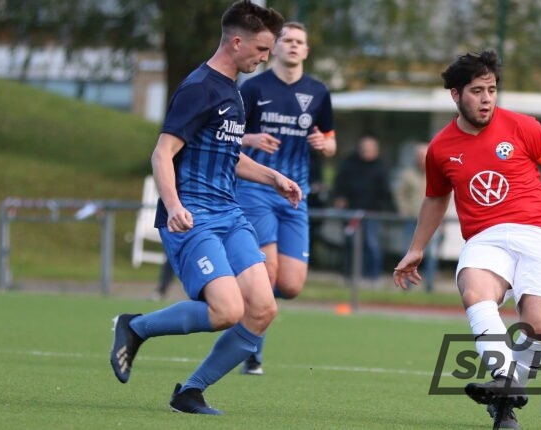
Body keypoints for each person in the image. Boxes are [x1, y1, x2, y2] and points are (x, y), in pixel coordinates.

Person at [392, 50, 541, 429]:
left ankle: (504, 401)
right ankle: (503, 380)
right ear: (455, 95)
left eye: (492, 90)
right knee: (475, 290)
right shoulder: (441, 148)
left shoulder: (522, 127)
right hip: (485, 237)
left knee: (540, 326)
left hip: (540, 233)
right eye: (477, 91)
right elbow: (435, 198)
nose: (486, 99)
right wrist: (416, 248)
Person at [109, 1, 296, 415]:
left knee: (263, 309)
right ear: (237, 42)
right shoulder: (199, 88)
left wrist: (274, 178)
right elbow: (162, 153)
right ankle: (135, 327)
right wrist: (174, 205)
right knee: (227, 310)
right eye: (262, 49)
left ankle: (190, 392)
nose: (265, 58)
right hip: (194, 216)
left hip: (229, 214)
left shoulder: (233, 90)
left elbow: (227, 155)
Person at [235, 21, 336, 375]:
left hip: (296, 194)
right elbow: (226, 135)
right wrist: (250, 139)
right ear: (275, 47)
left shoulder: (318, 92)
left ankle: (247, 302)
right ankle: (251, 350)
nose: (293, 45)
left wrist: (325, 145)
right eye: (287, 40)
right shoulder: (253, 87)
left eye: (299, 41)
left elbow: (331, 141)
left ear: (306, 50)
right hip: (256, 189)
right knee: (268, 270)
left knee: (290, 285)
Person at [333, 134, 395, 285]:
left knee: (372, 245)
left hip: (372, 213)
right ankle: (350, 276)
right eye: (364, 148)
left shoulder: (381, 167)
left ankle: (372, 277)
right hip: (352, 211)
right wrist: (340, 198)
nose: (366, 151)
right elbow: (340, 184)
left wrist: (382, 207)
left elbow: (385, 192)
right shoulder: (349, 164)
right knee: (351, 244)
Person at [394, 143, 440, 292]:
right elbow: (400, 194)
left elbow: (443, 198)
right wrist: (405, 211)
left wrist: (441, 219)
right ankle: (406, 285)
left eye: (424, 156)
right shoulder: (408, 174)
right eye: (419, 156)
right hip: (412, 220)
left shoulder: (437, 173)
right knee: (409, 253)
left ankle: (429, 286)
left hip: (432, 221)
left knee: (431, 254)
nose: (421, 159)